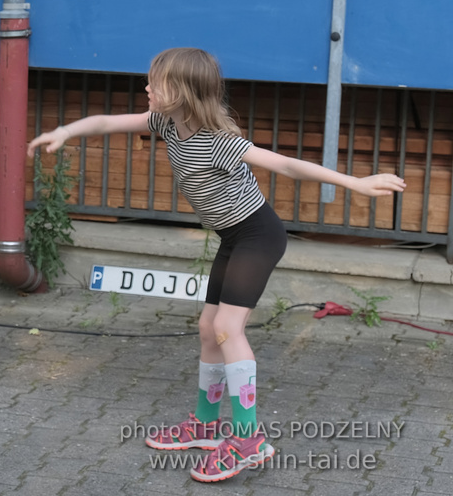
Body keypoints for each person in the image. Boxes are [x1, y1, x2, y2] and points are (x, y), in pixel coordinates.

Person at [26, 47, 405, 484]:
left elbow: (284, 164)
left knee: (227, 328)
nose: (147, 87)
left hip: (258, 236)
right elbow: (107, 122)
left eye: (157, 82)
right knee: (209, 329)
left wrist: (354, 182)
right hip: (232, 237)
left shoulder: (217, 141)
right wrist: (65, 130)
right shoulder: (164, 122)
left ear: (184, 92)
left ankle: (248, 441)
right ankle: (206, 426)